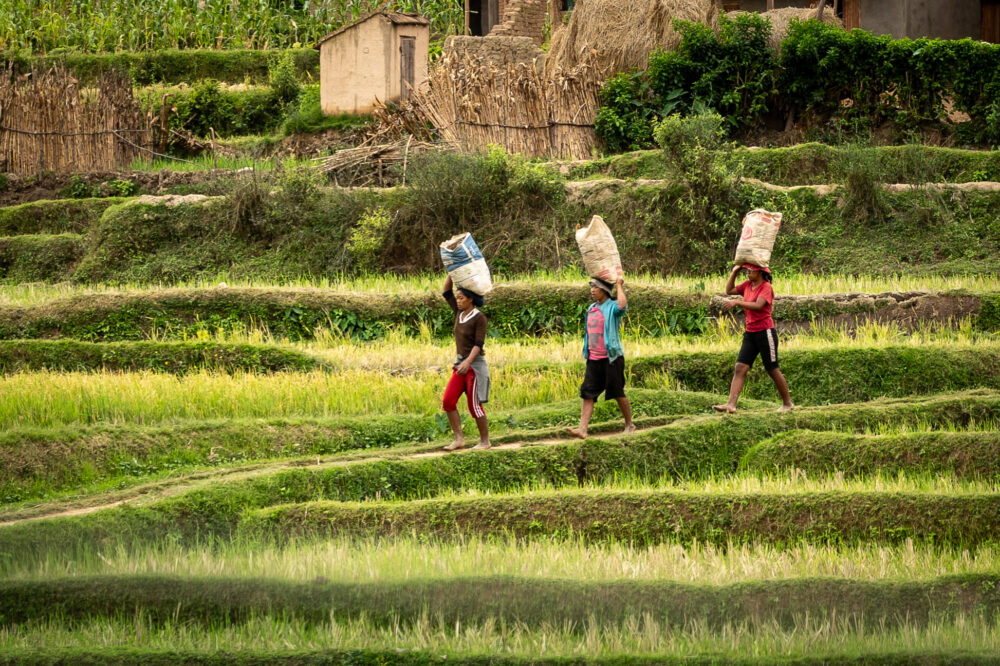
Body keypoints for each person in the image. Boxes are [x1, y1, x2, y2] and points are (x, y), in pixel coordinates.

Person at [713, 263, 794, 414]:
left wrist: (737, 302)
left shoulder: (766, 287)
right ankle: (731, 405)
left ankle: (787, 403)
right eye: (747, 270)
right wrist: (735, 272)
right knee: (740, 367)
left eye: (751, 270)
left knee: (772, 368)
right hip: (750, 333)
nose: (748, 273)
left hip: (765, 332)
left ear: (761, 273)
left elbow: (758, 305)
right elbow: (729, 290)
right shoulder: (747, 285)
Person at [568, 276, 636, 439]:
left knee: (617, 391)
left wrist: (619, 285)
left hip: (611, 357)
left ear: (604, 290)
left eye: (595, 287)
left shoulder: (612, 307)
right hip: (593, 359)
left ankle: (630, 424)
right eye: (591, 287)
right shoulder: (591, 308)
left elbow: (622, 305)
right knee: (588, 393)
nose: (592, 290)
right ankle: (582, 429)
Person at [441, 274, 491, 451]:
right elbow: (446, 292)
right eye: (458, 298)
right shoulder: (459, 312)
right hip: (460, 365)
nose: (458, 301)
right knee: (448, 401)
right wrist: (452, 272)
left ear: (471, 299)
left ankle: (485, 441)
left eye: (461, 298)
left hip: (474, 366)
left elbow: (479, 345)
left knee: (474, 405)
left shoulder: (479, 318)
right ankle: (459, 439)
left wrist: (468, 363)